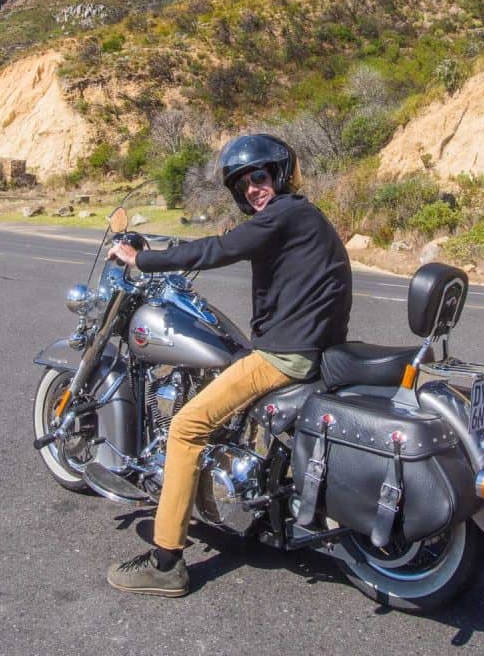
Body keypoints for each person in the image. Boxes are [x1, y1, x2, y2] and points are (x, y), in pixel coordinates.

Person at [105, 133, 352, 597]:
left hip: (286, 354)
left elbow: (218, 249)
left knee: (185, 426)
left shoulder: (286, 213)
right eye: (242, 185)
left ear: (280, 174)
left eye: (259, 177)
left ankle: (166, 563)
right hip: (307, 346)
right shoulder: (302, 218)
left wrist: (144, 259)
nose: (252, 189)